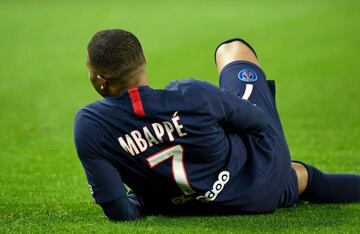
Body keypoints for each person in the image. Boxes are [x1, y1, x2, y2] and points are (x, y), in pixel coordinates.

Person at [74, 29, 360, 221]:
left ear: (99, 79)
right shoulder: (192, 93)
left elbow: (119, 210)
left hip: (195, 204)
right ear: (144, 60)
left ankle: (283, 174)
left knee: (298, 177)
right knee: (232, 49)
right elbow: (258, 122)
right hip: (256, 190)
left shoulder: (90, 124)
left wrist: (151, 199)